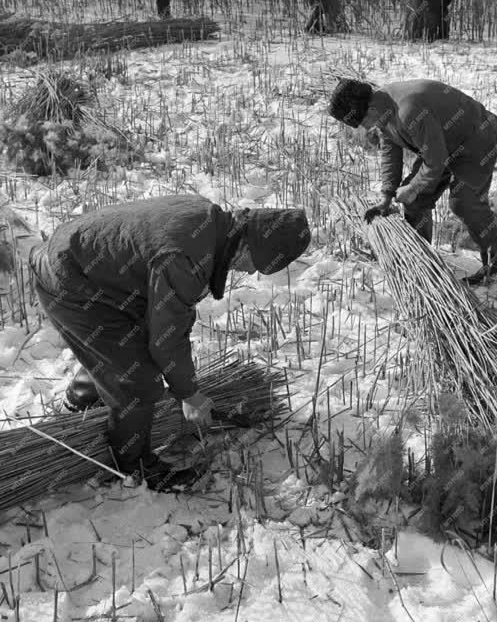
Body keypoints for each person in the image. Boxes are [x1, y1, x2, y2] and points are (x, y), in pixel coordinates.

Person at [28, 196, 311, 491]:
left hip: (91, 267)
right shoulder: (184, 256)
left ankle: (84, 396)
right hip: (69, 280)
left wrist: (182, 382)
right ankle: (136, 469)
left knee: (126, 347)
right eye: (258, 264)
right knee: (138, 382)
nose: (252, 272)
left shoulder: (208, 222)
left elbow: (172, 315)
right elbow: (167, 339)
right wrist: (189, 395)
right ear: (249, 244)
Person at [328, 78, 497, 285]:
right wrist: (387, 194)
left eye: (362, 122)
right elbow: (390, 151)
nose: (365, 128)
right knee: (414, 201)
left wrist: (413, 187)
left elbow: (435, 161)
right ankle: (422, 261)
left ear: (369, 108)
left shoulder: (408, 109)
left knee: (465, 203)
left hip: (476, 137)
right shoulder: (382, 110)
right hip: (440, 143)